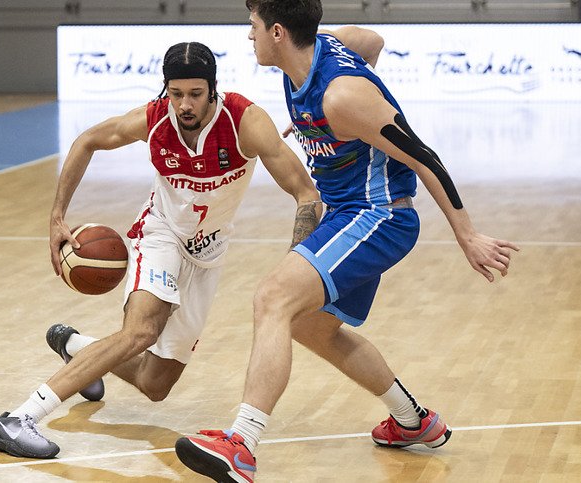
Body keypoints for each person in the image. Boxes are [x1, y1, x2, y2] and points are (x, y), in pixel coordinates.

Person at [173, 2, 520, 482]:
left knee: (273, 298)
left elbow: (425, 157)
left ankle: (242, 444)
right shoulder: (315, 50)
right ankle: (412, 420)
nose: (246, 35)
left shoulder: (341, 97)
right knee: (312, 328)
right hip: (347, 213)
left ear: (277, 32)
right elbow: (372, 42)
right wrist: (336, 126)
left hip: (377, 215)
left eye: (252, 26)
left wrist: (468, 235)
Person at [0, 41, 322, 459]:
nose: (184, 104)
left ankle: (76, 347)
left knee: (155, 384)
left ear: (212, 89)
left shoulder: (244, 121)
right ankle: (18, 419)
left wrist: (297, 264)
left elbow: (306, 193)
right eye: (176, 94)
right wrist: (56, 216)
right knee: (142, 332)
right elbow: (88, 140)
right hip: (160, 234)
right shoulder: (154, 119)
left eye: (195, 94)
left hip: (209, 253)